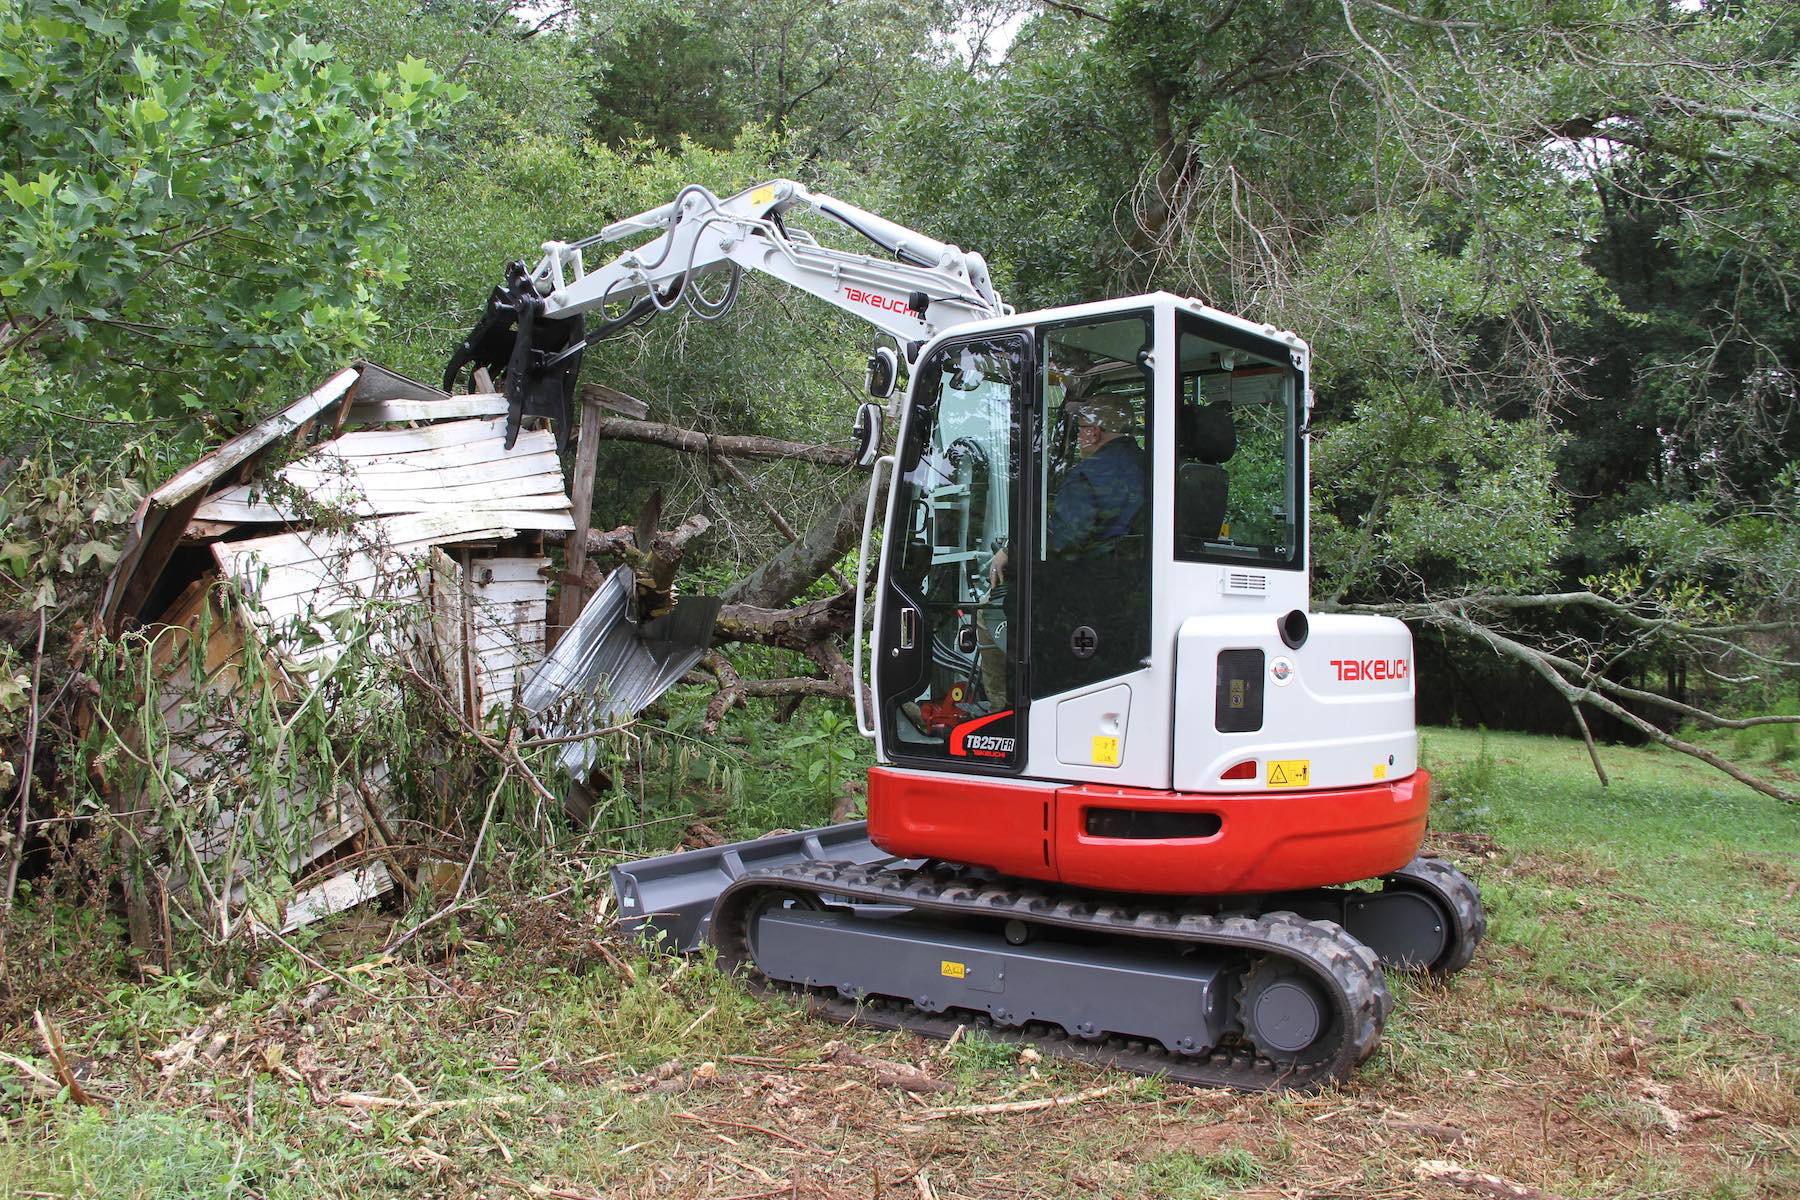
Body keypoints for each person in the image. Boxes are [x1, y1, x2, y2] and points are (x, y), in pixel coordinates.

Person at [986, 393, 1147, 586]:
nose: (1078, 436)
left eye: (1080, 429)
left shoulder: (1085, 477)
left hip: (1096, 587)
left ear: (1094, 433)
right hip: (1141, 580)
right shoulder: (1152, 466)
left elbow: (1063, 543)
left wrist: (1011, 551)